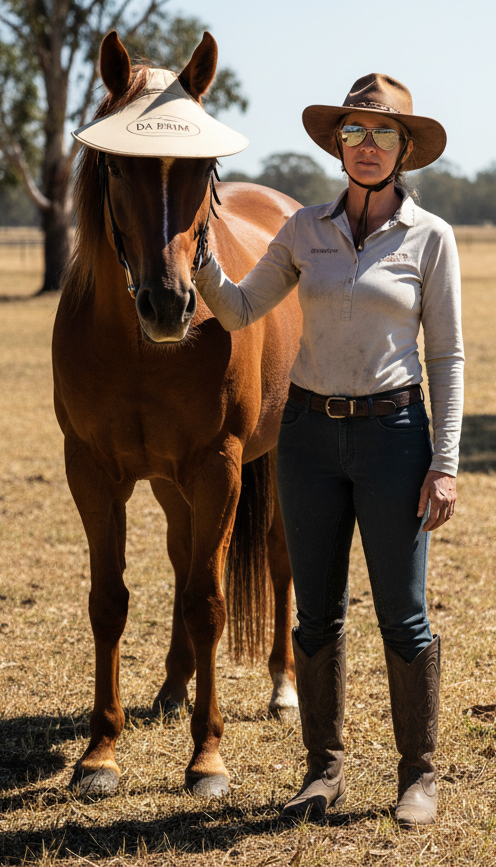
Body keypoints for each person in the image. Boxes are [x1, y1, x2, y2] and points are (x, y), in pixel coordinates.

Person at [193, 73, 463, 827]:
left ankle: (418, 777)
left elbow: (446, 356)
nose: (367, 146)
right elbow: (243, 306)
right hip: (308, 438)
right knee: (316, 614)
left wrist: (444, 463)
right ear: (336, 143)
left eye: (382, 133)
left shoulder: (430, 238)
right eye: (353, 132)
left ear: (405, 148)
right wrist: (196, 251)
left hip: (395, 437)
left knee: (403, 615)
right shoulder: (304, 229)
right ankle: (324, 770)